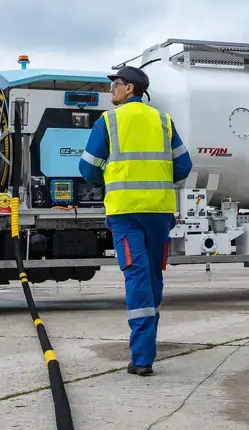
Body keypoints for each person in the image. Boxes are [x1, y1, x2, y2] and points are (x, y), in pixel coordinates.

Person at [80, 63, 192, 375]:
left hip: (126, 213)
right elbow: (183, 167)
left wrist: (110, 176)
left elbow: (88, 170)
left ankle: (142, 358)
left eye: (115, 84)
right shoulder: (163, 120)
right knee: (152, 278)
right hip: (158, 212)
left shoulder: (109, 121)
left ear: (130, 88)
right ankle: (145, 350)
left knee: (137, 277)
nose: (111, 89)